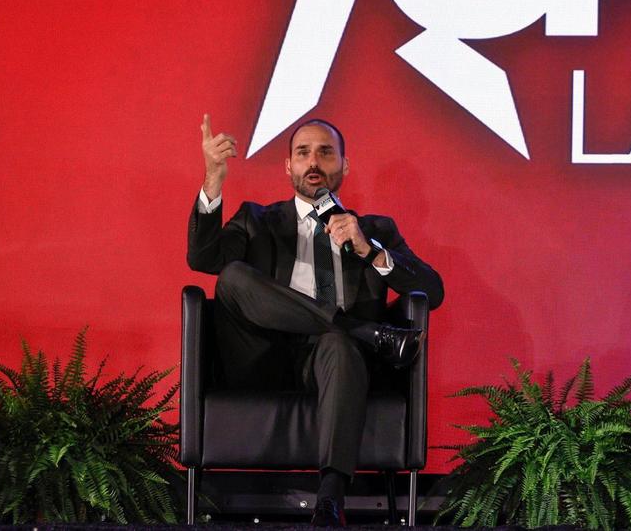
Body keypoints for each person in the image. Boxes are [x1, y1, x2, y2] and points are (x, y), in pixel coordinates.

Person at [188, 114, 444, 526]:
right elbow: (203, 259)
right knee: (232, 276)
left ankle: (330, 501)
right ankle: (360, 331)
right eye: (303, 152)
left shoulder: (374, 228)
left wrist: (370, 251)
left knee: (339, 345)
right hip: (262, 356)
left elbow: (432, 291)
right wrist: (213, 180)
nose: (313, 162)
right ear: (288, 166)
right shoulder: (256, 219)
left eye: (326, 152)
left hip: (333, 364)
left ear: (344, 166)